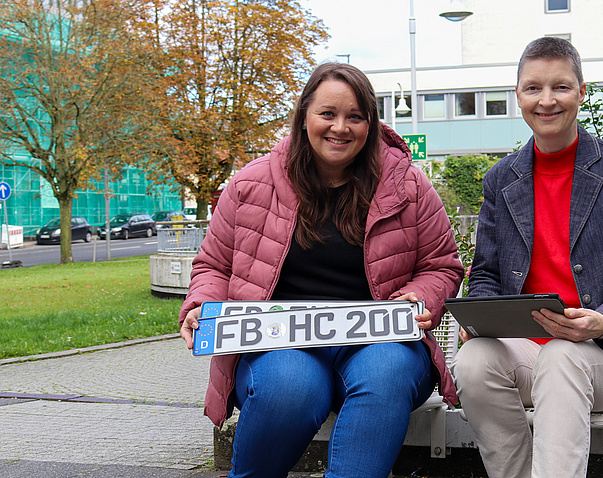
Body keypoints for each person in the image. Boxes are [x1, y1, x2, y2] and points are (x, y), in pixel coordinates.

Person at [178, 62, 464, 478]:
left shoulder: (408, 185)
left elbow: (441, 265)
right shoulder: (251, 184)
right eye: (327, 114)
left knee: (385, 376)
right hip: (278, 341)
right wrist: (201, 304)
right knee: (289, 389)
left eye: (355, 116)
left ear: (370, 123)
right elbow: (215, 264)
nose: (340, 127)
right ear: (304, 115)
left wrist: (420, 297)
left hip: (379, 338)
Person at [450, 37, 603, 478]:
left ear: (582, 92)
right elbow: (486, 272)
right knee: (472, 362)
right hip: (534, 354)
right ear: (518, 96)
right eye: (533, 88)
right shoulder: (500, 178)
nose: (546, 101)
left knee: (564, 355)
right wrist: (481, 321)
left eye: (561, 87)